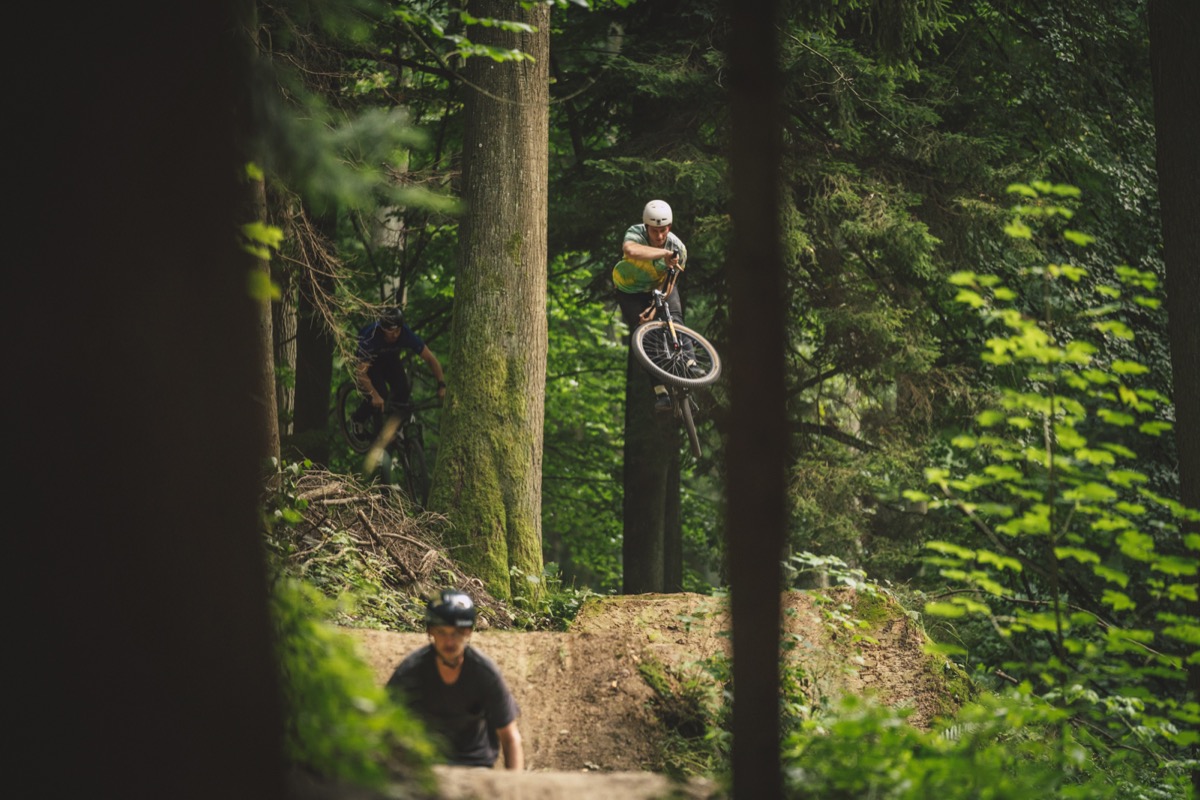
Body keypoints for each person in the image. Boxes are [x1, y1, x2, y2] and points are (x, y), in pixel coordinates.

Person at [386, 590, 524, 770]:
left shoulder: (485, 673)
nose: (449, 641)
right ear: (430, 631)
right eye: (441, 632)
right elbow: (384, 725)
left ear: (468, 632)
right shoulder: (410, 671)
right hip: (426, 765)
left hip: (475, 766)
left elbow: (510, 737)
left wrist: (514, 784)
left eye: (457, 633)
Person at [612, 199, 690, 412]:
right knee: (645, 333)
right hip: (630, 290)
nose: (659, 236)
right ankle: (660, 392)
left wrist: (656, 307)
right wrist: (663, 254)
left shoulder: (678, 248)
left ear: (669, 228)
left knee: (675, 317)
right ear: (646, 227)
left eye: (663, 230)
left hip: (659, 287)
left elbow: (671, 283)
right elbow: (630, 250)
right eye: (654, 231)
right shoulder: (635, 233)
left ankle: (691, 362)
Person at [350, 306, 446, 438]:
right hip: (370, 363)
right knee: (380, 394)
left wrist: (441, 384)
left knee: (403, 390)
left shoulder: (405, 333)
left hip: (390, 358)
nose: (395, 334)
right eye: (391, 331)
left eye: (398, 330)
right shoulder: (371, 337)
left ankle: (395, 427)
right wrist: (375, 395)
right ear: (383, 329)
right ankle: (358, 419)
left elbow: (430, 358)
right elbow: (360, 373)